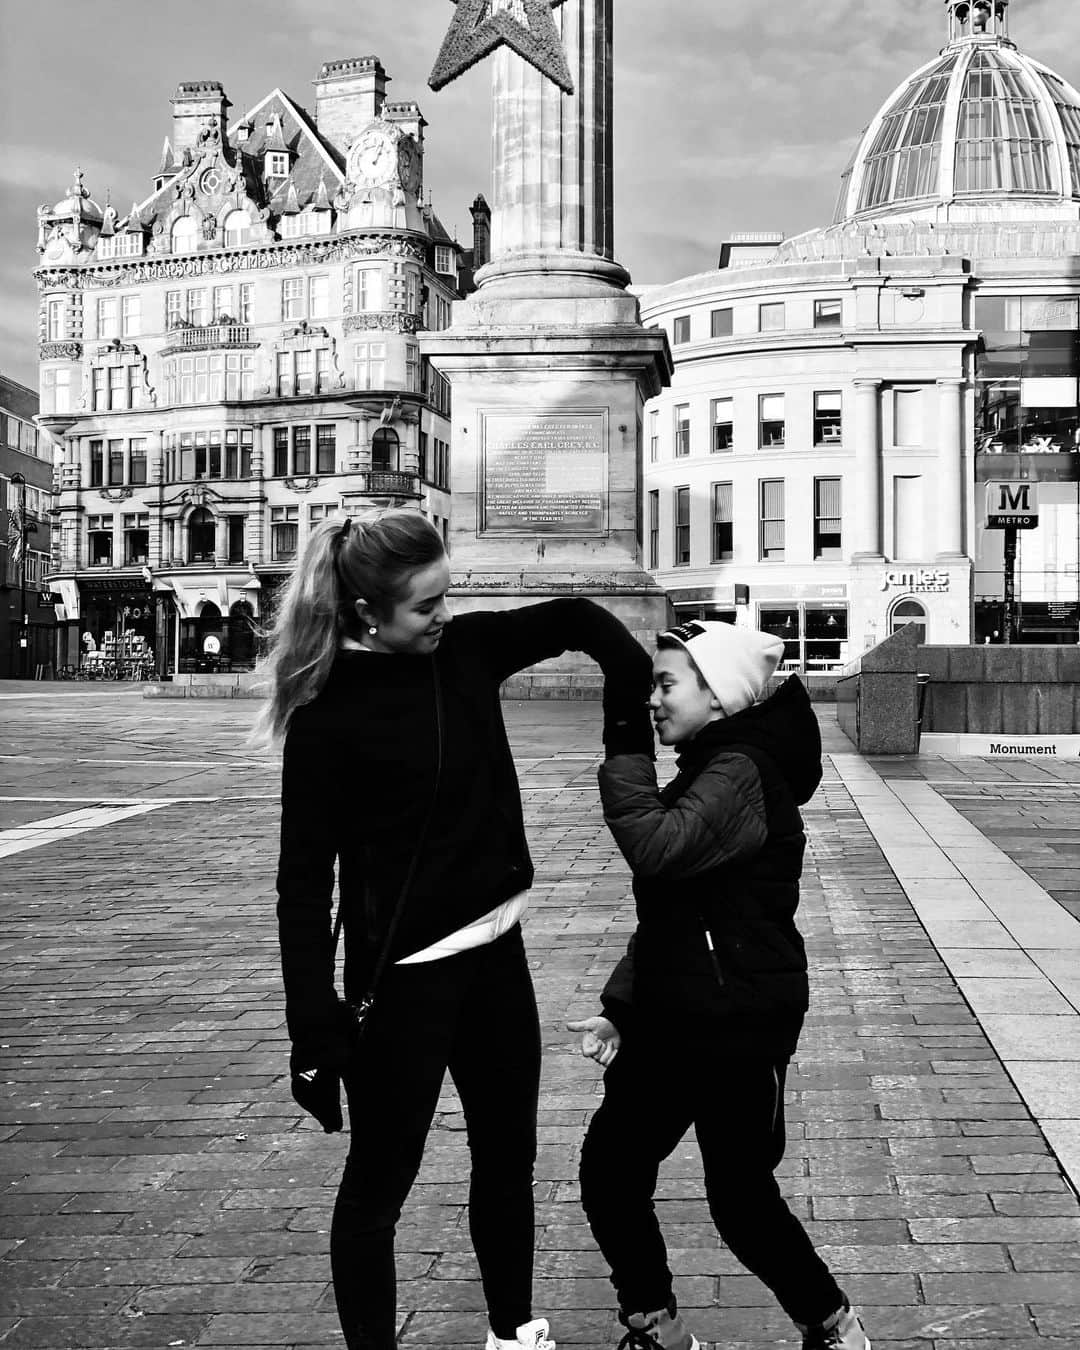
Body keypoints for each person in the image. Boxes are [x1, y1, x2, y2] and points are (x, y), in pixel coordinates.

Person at [265, 509, 652, 1350]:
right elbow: (304, 882)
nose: (444, 616)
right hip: (404, 982)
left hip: (496, 960)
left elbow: (582, 620)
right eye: (424, 607)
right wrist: (310, 1018)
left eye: (448, 596)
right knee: (378, 1189)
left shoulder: (468, 651)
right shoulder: (328, 717)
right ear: (368, 613)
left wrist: (628, 713)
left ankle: (513, 1332)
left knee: (508, 1165)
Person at [568, 621, 871, 1350]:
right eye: (652, 685)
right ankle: (654, 1324)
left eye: (668, 684)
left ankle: (833, 1327)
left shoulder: (740, 771)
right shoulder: (713, 765)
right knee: (611, 1172)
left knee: (738, 1199)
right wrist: (620, 1009)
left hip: (738, 1023)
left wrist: (622, 751)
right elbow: (679, 913)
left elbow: (658, 849)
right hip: (676, 1017)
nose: (653, 701)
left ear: (719, 696)